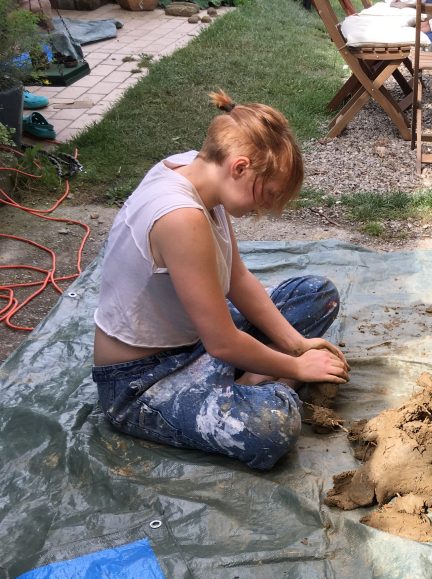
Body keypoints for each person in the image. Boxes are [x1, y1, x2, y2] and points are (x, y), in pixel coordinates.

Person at [91, 90, 349, 470]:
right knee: (273, 426)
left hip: (192, 343)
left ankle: (243, 383)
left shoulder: (196, 172)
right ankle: (241, 390)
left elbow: (237, 278)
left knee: (316, 294)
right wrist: (297, 369)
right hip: (142, 381)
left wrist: (296, 345)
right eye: (268, 193)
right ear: (240, 167)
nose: (265, 207)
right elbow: (222, 341)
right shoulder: (181, 217)